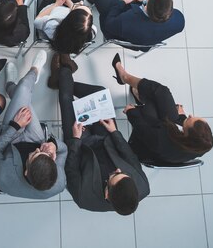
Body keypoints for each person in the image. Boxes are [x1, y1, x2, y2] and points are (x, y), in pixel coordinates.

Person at [52, 55, 149, 213]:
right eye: (123, 173)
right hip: (106, 138)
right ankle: (64, 81)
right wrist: (114, 131)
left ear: (106, 193)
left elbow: (70, 169)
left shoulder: (83, 197)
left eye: (114, 175)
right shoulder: (142, 186)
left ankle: (64, 72)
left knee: (65, 98)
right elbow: (129, 156)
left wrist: (76, 139)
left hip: (80, 146)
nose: (118, 170)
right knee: (100, 93)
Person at [0, 51, 67, 199]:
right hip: (36, 137)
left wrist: (15, 127)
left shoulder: (2, 175)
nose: (37, 149)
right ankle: (21, 81)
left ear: (26, 171)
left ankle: (17, 82)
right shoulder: (59, 182)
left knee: (23, 91)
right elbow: (64, 150)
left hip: (10, 141)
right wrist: (54, 146)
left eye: (34, 154)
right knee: (23, 94)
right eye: (44, 154)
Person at [112, 54, 213, 165]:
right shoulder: (203, 144)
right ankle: (125, 78)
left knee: (152, 103)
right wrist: (182, 118)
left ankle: (138, 92)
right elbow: (189, 131)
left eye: (189, 120)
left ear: (186, 134)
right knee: (162, 93)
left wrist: (131, 112)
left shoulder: (160, 141)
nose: (190, 116)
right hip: (169, 131)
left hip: (147, 142)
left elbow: (142, 129)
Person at [84, 0, 184, 49]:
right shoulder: (179, 20)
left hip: (117, 22)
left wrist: (122, 1)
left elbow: (109, 23)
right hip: (143, 34)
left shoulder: (126, 21)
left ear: (146, 7)